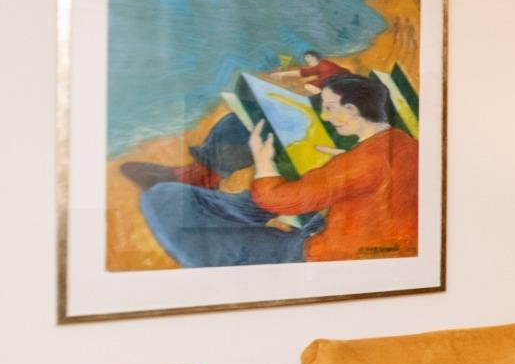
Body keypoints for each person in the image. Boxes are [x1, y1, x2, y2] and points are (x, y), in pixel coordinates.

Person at [139, 75, 418, 266]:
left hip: (326, 254)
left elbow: (277, 199)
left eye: (330, 108)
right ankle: (203, 177)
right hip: (349, 231)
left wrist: (264, 163)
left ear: (353, 109)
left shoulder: (362, 161)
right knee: (242, 125)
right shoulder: (406, 144)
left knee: (163, 200)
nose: (325, 116)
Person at [120, 50, 353, 190]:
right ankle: (200, 174)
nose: (309, 63)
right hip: (327, 115)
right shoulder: (334, 77)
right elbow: (311, 83)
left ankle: (200, 176)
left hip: (330, 130)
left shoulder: (336, 78)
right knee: (241, 120)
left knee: (251, 127)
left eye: (309, 60)